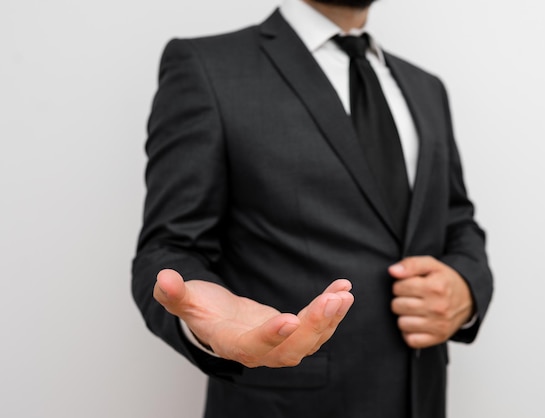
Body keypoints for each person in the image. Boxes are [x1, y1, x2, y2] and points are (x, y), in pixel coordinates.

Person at [132, 0, 493, 417]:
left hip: (420, 398)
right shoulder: (206, 67)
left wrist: (467, 287)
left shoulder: (426, 87)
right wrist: (201, 321)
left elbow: (456, 219)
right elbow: (169, 247)